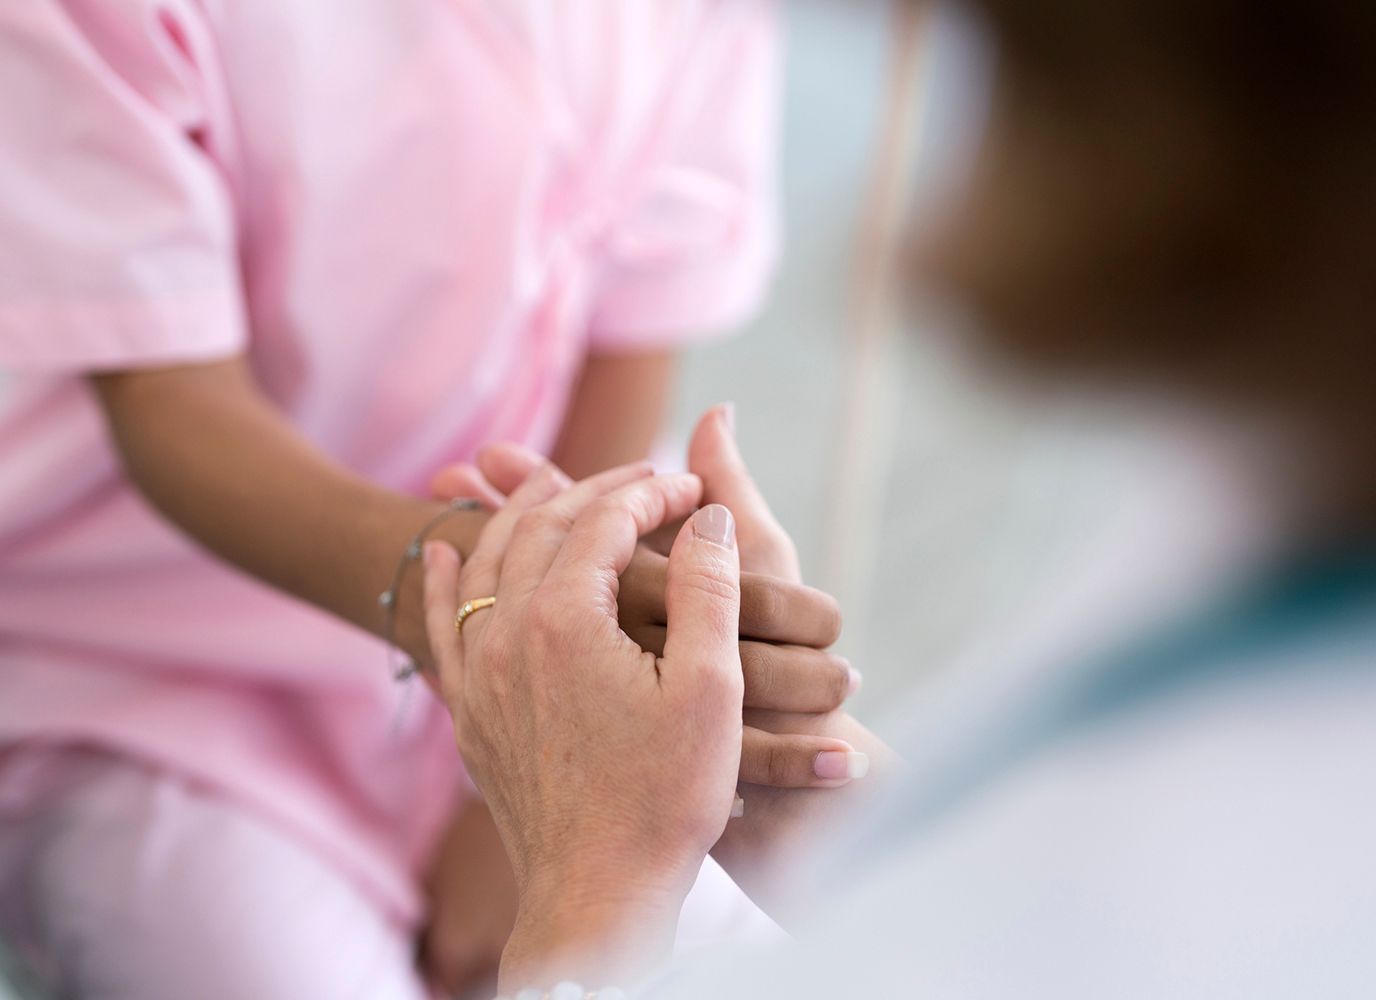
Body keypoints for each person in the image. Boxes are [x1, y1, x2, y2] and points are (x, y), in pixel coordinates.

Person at [422, 0, 1376, 995]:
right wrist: (799, 792)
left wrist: (585, 871)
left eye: (1017, 63)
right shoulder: (1303, 501)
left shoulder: (1213, 905)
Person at [0, 3, 863, 998]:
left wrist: (533, 795)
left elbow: (631, 325)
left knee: (762, 954)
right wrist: (518, 636)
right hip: (154, 667)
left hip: (555, 572)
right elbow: (172, 407)